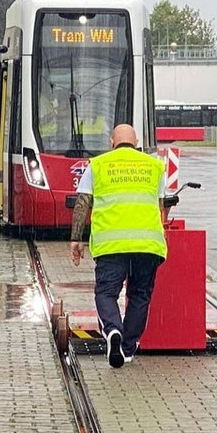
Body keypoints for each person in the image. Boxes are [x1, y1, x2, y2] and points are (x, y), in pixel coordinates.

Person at [70, 124, 170, 369]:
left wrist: (76, 239)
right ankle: (126, 348)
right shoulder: (154, 166)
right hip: (147, 244)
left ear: (112, 142)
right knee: (139, 295)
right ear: (136, 144)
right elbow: (160, 207)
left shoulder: (99, 165)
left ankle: (113, 330)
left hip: (111, 244)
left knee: (106, 293)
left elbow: (82, 204)